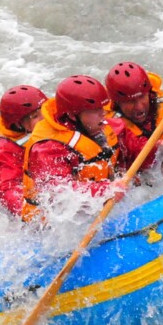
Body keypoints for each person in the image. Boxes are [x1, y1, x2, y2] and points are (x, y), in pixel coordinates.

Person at [21, 75, 129, 223]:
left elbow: (131, 151)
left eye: (102, 107)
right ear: (72, 115)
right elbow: (58, 193)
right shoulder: (47, 148)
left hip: (92, 209)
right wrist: (105, 191)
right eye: (95, 109)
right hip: (47, 226)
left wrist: (162, 150)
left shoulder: (97, 125)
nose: (103, 113)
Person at [0, 85, 47, 215]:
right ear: (18, 124)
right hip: (33, 198)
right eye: (35, 116)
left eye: (44, 111)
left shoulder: (51, 121)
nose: (44, 118)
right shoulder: (5, 149)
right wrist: (32, 213)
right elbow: (8, 188)